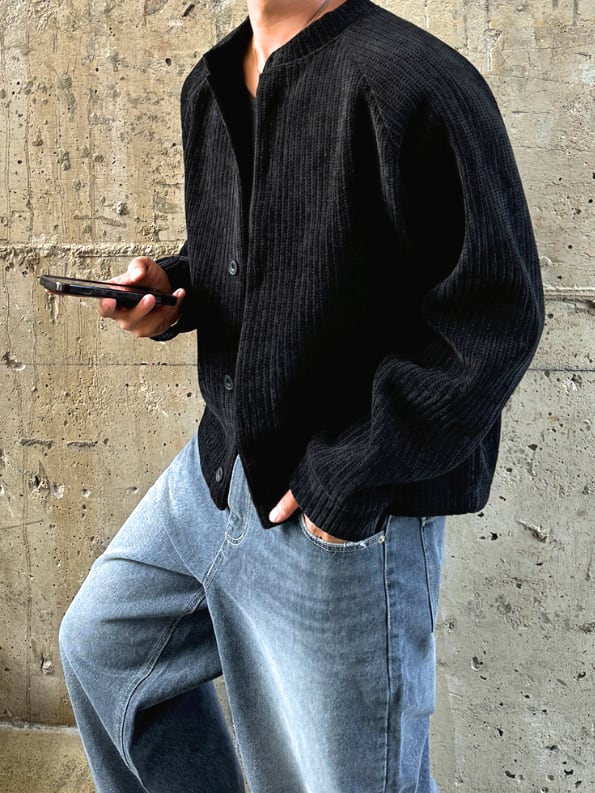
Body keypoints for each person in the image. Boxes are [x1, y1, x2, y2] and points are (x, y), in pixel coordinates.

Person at [58, 0, 544, 790]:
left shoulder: (415, 83)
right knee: (105, 653)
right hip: (213, 477)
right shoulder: (211, 82)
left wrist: (344, 481)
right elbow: (267, 258)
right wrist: (176, 289)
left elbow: (493, 319)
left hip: (338, 514)